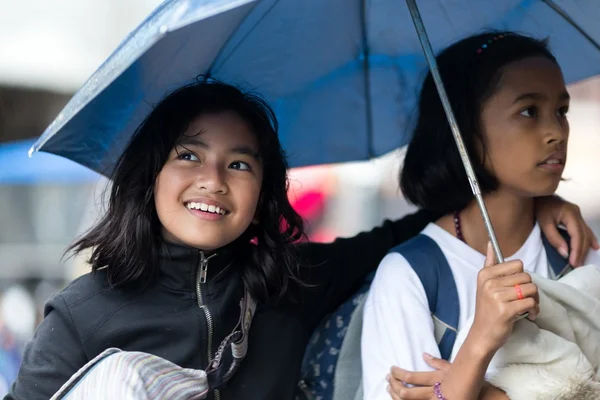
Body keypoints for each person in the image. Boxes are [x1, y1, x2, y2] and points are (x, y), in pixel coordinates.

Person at [5, 79, 595, 400]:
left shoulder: (289, 283)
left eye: (240, 164)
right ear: (151, 173)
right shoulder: (83, 315)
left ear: (262, 190)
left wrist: (537, 198)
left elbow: (407, 227)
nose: (212, 180)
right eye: (188, 156)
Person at [361, 32, 600, 400]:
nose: (556, 132)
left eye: (561, 111)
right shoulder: (411, 276)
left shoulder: (577, 249)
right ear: (464, 131)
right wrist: (480, 341)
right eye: (528, 111)